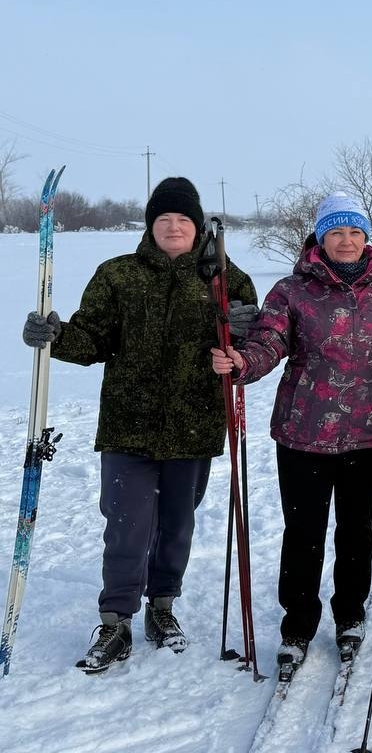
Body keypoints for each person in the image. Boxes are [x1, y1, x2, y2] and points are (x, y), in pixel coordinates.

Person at [21, 177, 257, 673]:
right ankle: (116, 621)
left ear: (198, 227)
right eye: (163, 219)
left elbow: (248, 343)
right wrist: (55, 335)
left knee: (177, 526)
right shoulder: (118, 274)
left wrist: (244, 331)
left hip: (194, 425)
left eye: (183, 219)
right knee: (126, 526)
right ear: (151, 225)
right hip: (128, 425)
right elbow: (92, 339)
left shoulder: (224, 279)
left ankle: (162, 606)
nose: (173, 227)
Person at [211, 193, 372, 676]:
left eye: (355, 232)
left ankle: (350, 614)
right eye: (336, 232)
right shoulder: (291, 291)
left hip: (368, 433)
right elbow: (269, 340)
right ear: (320, 238)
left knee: (357, 529)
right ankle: (298, 624)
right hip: (303, 433)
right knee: (303, 532)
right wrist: (242, 362)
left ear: (366, 238)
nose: (347, 240)